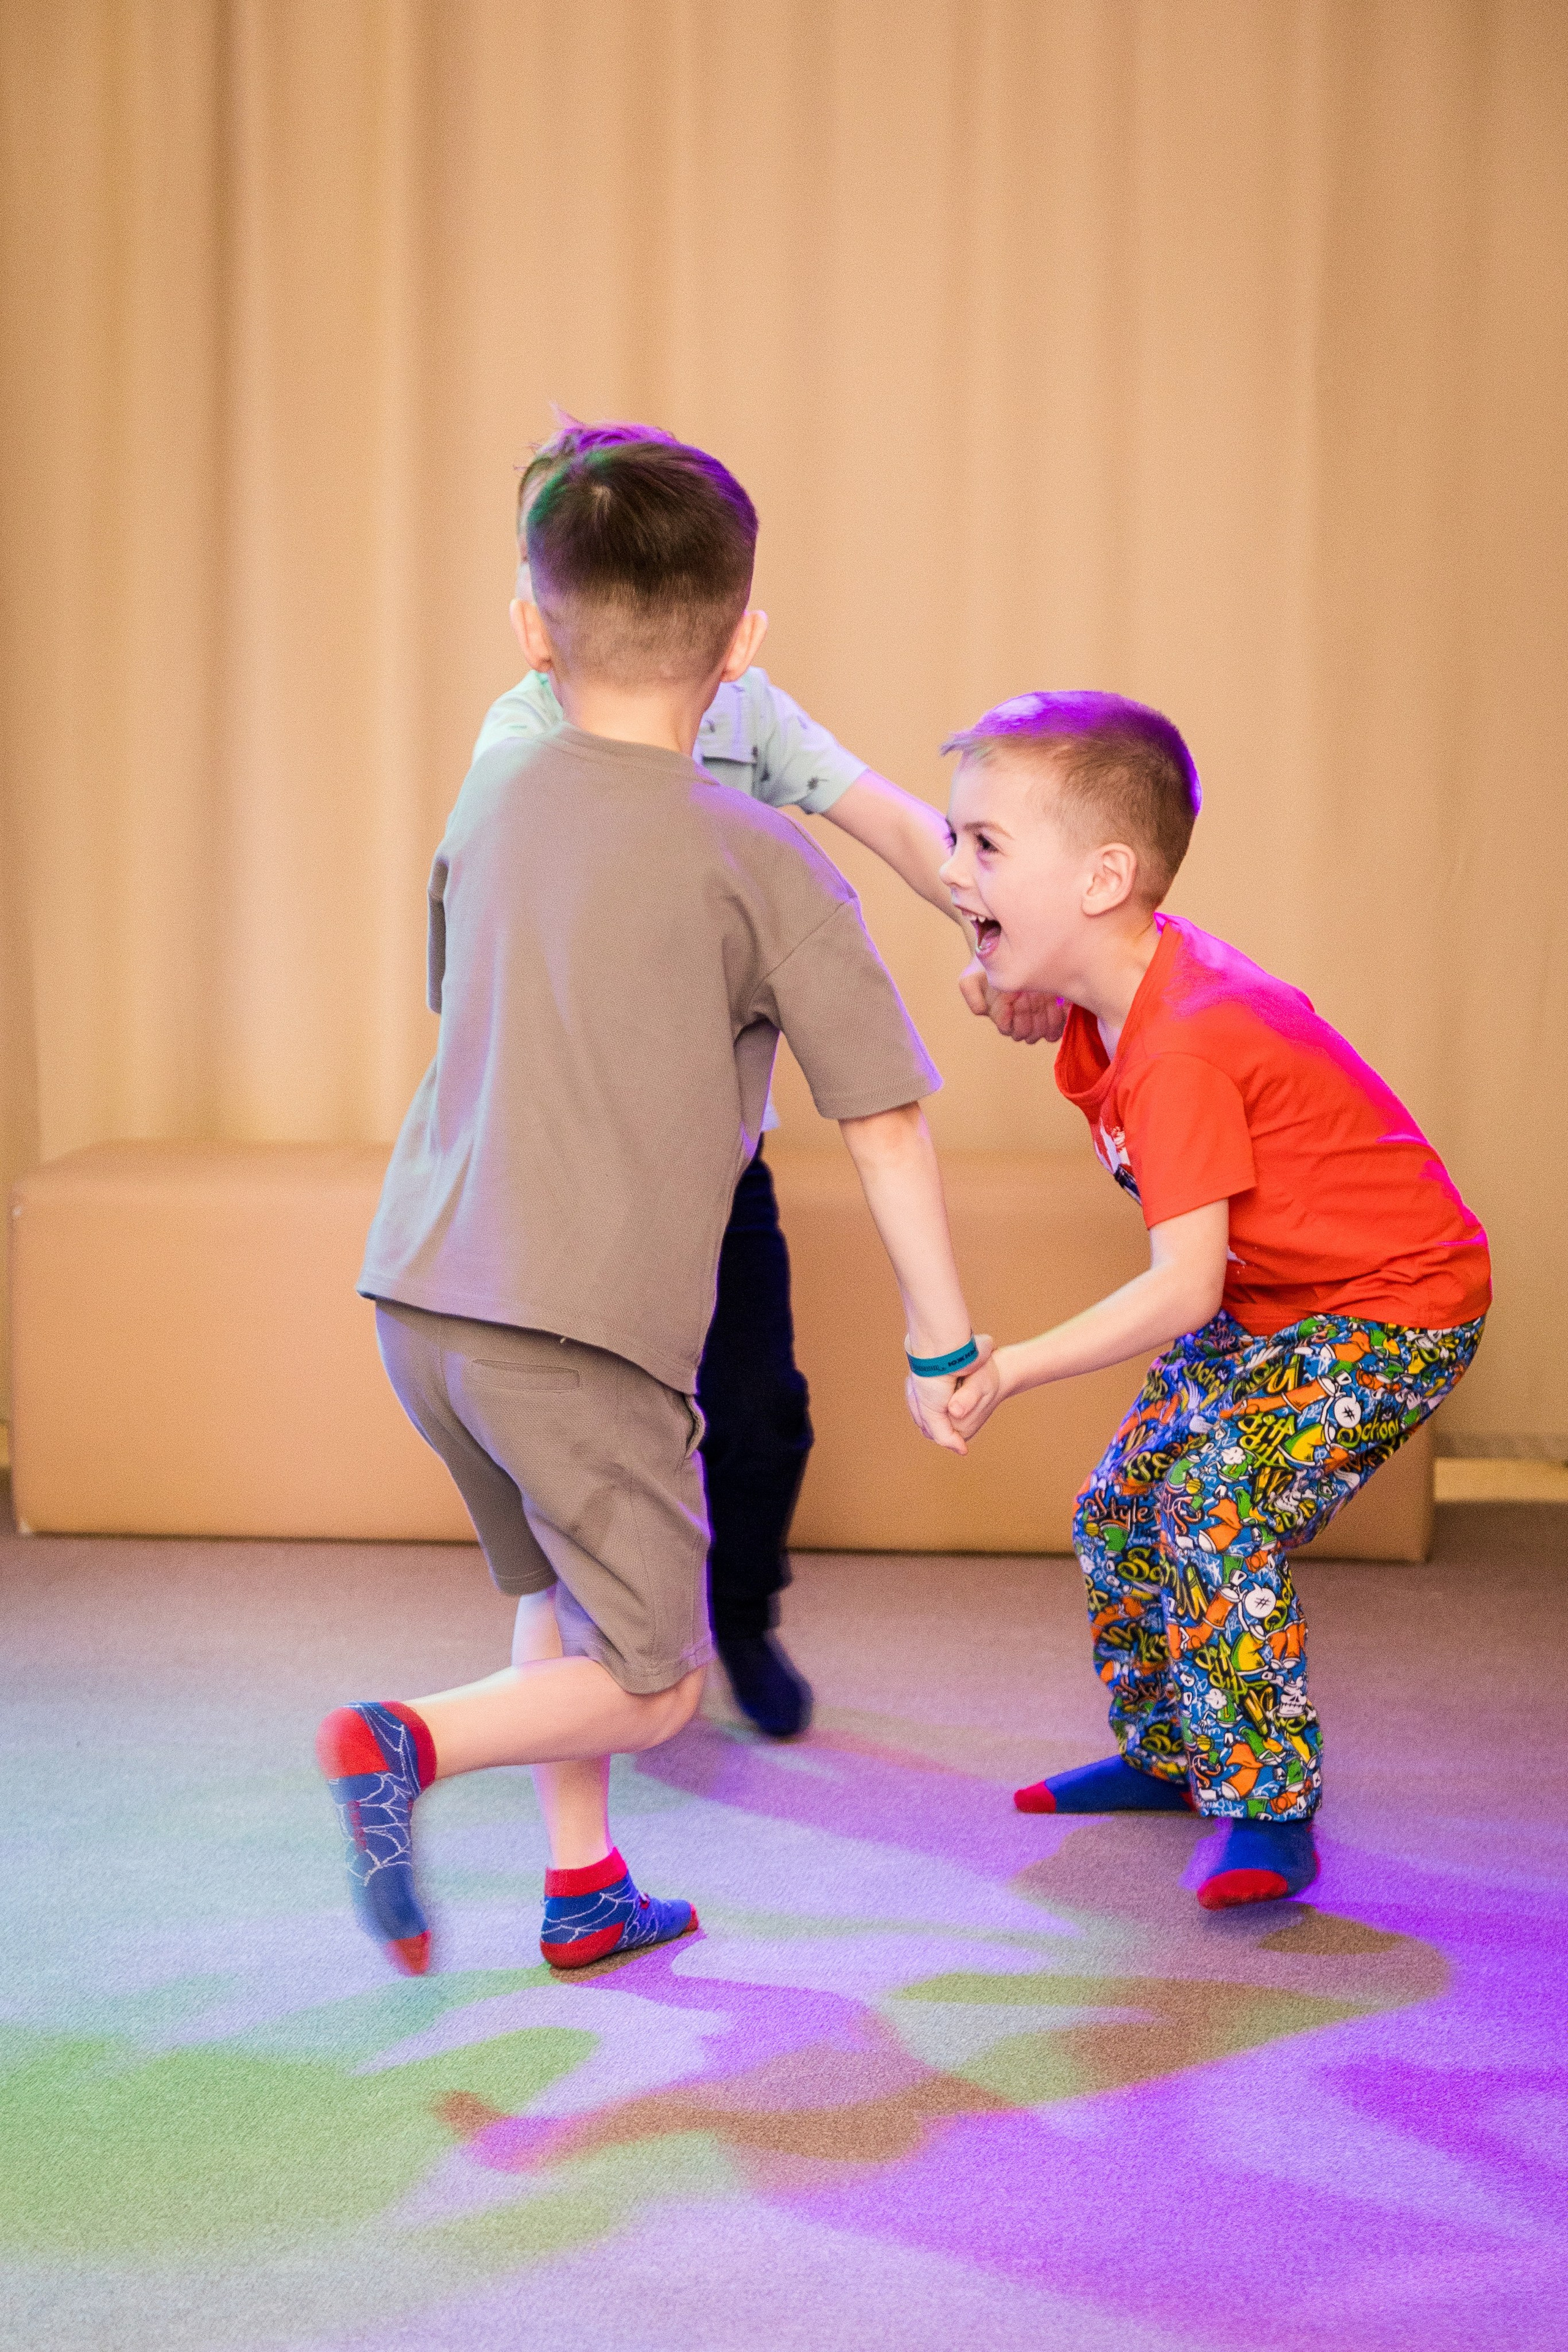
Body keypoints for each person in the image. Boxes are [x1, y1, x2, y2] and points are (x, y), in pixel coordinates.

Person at [320, 433, 979, 1976]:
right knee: (656, 1679)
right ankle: (400, 1740)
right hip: (578, 1331)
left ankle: (585, 1884)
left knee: (557, 1587)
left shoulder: (484, 805)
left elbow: (463, 1004)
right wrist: (944, 1342)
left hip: (421, 1292)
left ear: (530, 630)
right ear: (743, 642)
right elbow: (880, 1120)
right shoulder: (763, 861)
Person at [475, 418, 1058, 1740]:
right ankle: (602, 1658)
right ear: (538, 631)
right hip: (564, 1175)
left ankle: (737, 1613)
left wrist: (999, 939)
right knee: (585, 1430)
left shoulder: (748, 719)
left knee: (757, 1417)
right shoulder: (515, 754)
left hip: (711, 1170)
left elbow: (906, 833)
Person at [936, 690, 1490, 1910]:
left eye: (981, 846)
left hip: (1387, 1308)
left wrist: (1011, 1365)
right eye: (949, 837)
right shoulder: (1108, 977)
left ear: (1100, 880)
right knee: (1115, 1507)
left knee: (1209, 1501)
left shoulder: (1180, 1042)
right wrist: (994, 970)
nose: (951, 872)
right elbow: (1004, 958)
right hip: (1269, 1298)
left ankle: (1265, 1801)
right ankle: (1169, 1753)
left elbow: (1182, 1287)